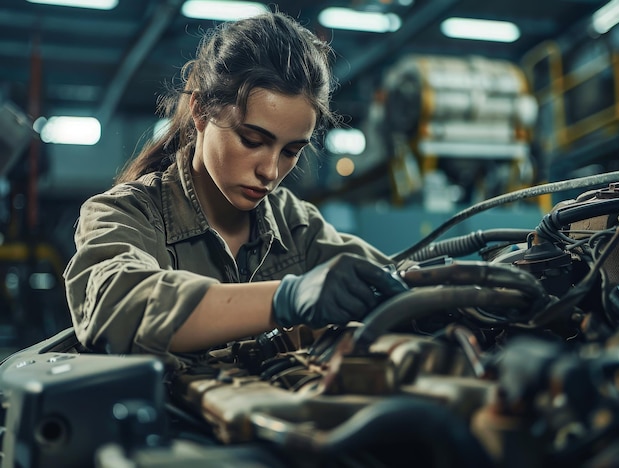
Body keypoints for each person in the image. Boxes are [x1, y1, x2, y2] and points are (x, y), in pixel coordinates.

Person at [63, 11, 408, 372]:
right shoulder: (125, 214)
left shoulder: (296, 225)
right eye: (252, 140)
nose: (271, 171)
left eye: (292, 151)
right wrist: (286, 298)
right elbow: (117, 308)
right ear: (200, 111)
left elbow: (390, 277)